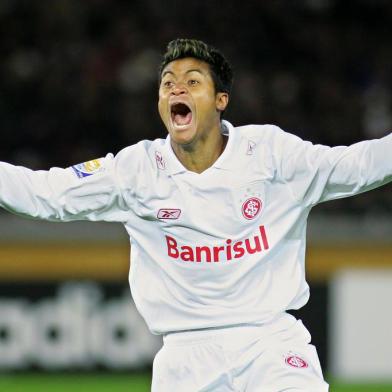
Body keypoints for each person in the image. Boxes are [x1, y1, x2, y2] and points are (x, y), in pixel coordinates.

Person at [0, 38, 391, 391]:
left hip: (270, 344)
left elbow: (355, 166)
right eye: (167, 83)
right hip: (185, 360)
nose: (176, 89)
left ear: (220, 100)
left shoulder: (270, 154)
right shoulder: (136, 170)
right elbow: (45, 194)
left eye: (191, 81)